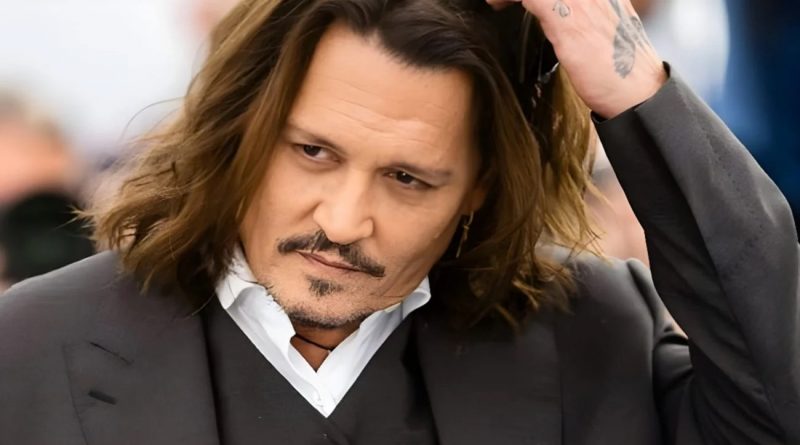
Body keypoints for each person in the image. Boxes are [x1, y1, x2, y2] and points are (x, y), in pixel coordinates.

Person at [1, 0, 797, 444]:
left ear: (481, 187)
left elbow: (775, 405)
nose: (345, 220)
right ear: (242, 128)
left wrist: (634, 86)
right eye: (313, 152)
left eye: (408, 179)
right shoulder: (28, 349)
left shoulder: (599, 337)